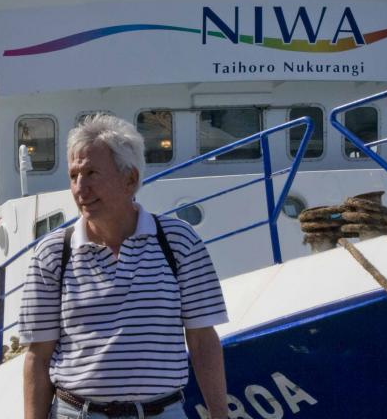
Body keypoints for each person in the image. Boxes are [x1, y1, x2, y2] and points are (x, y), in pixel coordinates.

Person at [19, 114, 229, 419]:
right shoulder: (52, 254)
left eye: (91, 173)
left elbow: (202, 340)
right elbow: (37, 357)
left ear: (129, 179)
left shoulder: (179, 242)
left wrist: (220, 415)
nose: (80, 188)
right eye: (74, 176)